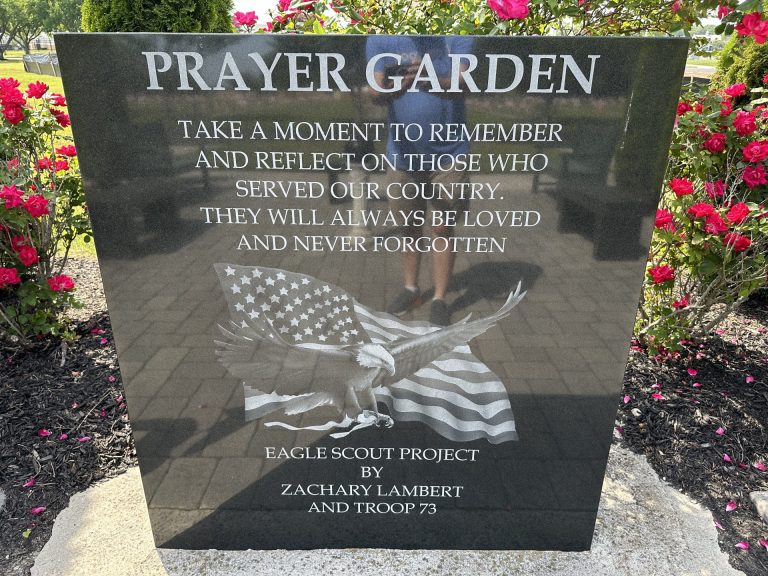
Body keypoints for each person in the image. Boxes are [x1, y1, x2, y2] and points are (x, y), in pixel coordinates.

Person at [366, 36, 474, 326]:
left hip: (450, 154)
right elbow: (374, 91)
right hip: (402, 154)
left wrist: (433, 78)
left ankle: (439, 297)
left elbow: (463, 83)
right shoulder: (381, 35)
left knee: (441, 227)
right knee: (409, 225)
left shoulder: (458, 32)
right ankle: (411, 289)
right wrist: (390, 89)